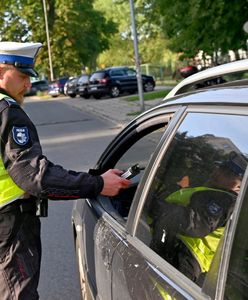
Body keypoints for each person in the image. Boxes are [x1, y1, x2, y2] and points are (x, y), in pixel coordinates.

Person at [0, 42, 131, 300]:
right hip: (10, 225)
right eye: (23, 77)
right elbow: (34, 176)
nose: (28, 85)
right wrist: (98, 184)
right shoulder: (7, 111)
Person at [150, 152, 246, 285]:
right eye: (220, 168)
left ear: (240, 186)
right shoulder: (214, 192)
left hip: (181, 258)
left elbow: (195, 224)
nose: (217, 172)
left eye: (227, 173)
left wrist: (152, 205)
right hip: (174, 252)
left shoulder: (226, 201)